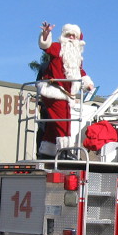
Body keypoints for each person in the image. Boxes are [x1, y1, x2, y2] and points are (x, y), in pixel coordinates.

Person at [37, 21, 95, 158]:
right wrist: (46, 34)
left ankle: (47, 150)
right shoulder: (58, 48)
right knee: (64, 122)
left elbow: (80, 71)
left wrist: (87, 83)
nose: (71, 38)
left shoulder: (77, 58)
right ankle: (64, 151)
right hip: (54, 91)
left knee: (53, 124)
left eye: (74, 36)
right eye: (68, 35)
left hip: (66, 94)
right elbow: (46, 46)